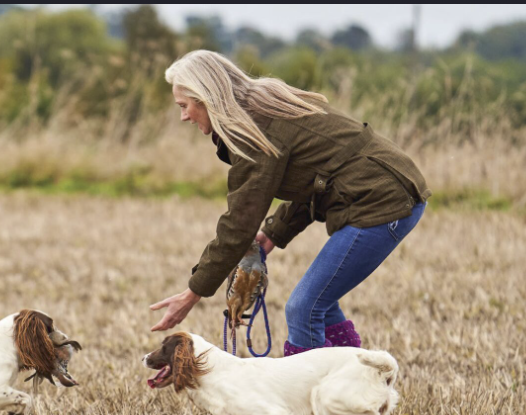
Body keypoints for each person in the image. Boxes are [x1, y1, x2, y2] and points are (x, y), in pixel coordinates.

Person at [149, 51, 429, 355]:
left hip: (381, 201)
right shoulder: (261, 109)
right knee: (320, 303)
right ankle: (355, 380)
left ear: (206, 97)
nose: (183, 116)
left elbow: (239, 224)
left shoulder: (253, 130)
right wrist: (274, 233)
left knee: (304, 308)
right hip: (384, 189)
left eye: (184, 106)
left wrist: (192, 294)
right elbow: (317, 177)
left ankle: (308, 400)